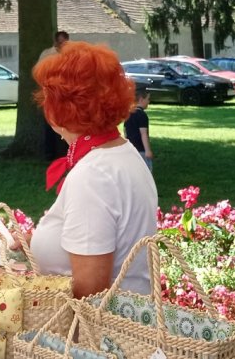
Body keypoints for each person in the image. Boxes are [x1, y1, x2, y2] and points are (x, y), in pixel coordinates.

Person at [29, 41, 158, 298]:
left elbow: (88, 292)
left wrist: (19, 288)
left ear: (56, 112)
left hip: (95, 334)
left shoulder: (93, 174)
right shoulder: (123, 153)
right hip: (126, 326)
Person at [39, 31, 70, 159]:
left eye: (65, 42)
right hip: (50, 93)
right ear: (56, 42)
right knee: (50, 124)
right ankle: (49, 153)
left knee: (67, 124)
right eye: (61, 42)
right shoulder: (47, 54)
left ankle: (67, 151)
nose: (63, 44)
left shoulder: (71, 54)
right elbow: (40, 72)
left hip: (66, 94)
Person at [124, 88, 153, 172]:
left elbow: (125, 131)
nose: (148, 101)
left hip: (131, 149)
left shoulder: (128, 114)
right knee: (146, 172)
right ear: (141, 99)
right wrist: (148, 150)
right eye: (147, 99)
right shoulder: (142, 115)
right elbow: (143, 134)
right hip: (141, 149)